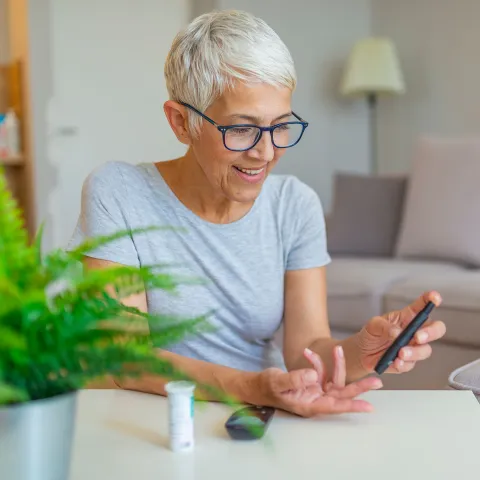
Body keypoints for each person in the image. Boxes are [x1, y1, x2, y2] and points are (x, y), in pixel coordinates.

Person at [69, 10, 446, 418]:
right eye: (242, 129)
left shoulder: (294, 205)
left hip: (257, 421)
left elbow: (308, 355)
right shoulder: (119, 192)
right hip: (149, 421)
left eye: (280, 126)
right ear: (181, 122)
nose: (265, 152)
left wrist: (362, 351)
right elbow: (124, 359)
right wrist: (252, 386)